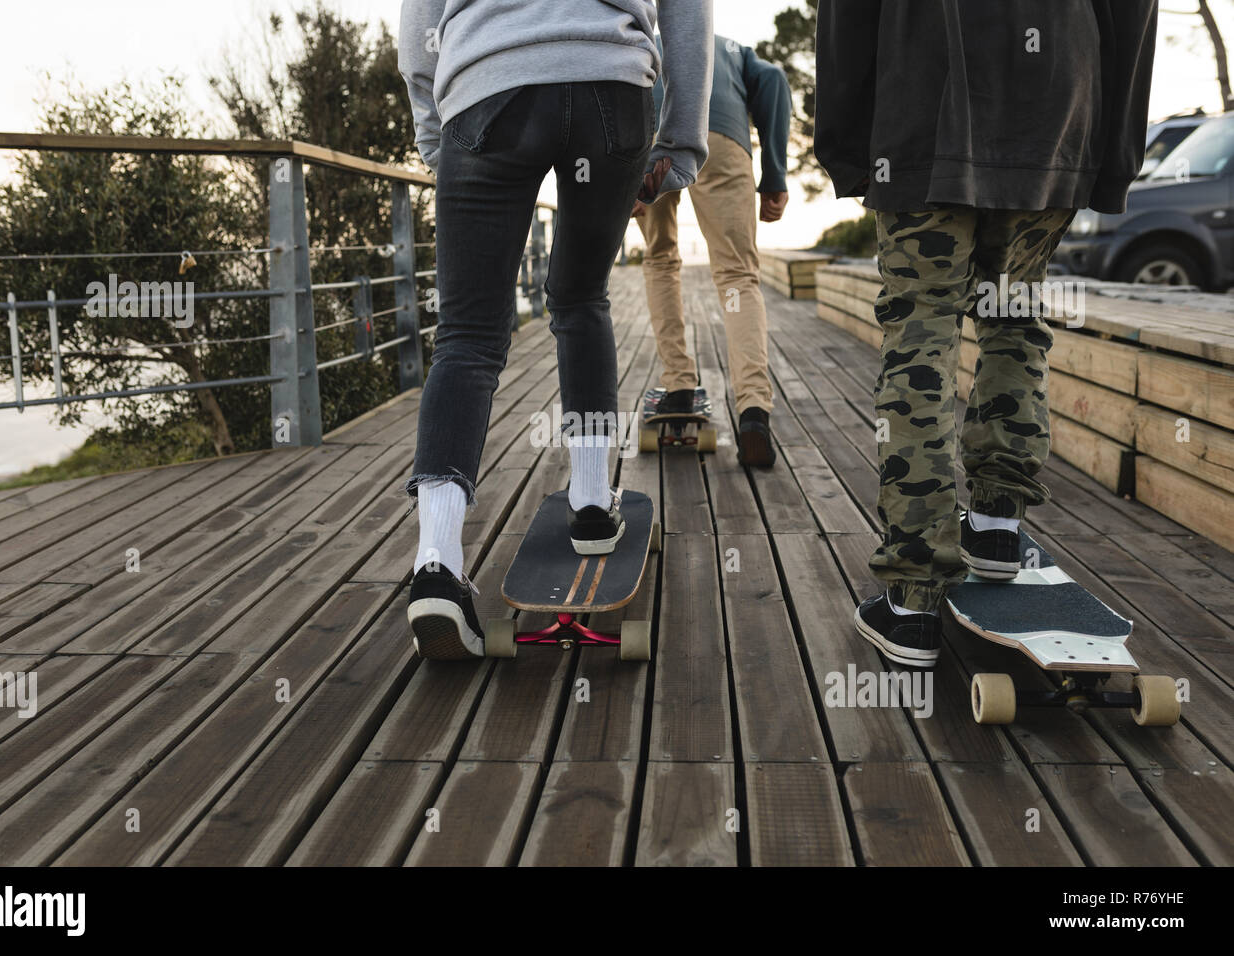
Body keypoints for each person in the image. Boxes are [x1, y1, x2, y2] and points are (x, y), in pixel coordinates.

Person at [814, 0, 1158, 667]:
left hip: (922, 110)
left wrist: (848, 148)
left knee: (921, 336)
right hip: (1056, 111)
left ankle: (914, 599)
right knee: (1014, 317)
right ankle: (998, 528)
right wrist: (1114, 153)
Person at [399, 0, 713, 659]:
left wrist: (435, 128)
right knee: (578, 293)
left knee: (468, 336)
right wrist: (680, 142)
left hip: (485, 87)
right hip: (612, 87)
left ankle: (437, 561)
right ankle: (594, 503)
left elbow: (419, 25)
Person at [637, 33, 792, 468]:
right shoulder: (732, 50)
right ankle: (753, 412)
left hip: (649, 135)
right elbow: (776, 81)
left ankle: (680, 384)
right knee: (737, 275)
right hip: (722, 135)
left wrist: (619, 170)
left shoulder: (643, 40)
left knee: (661, 258)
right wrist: (775, 174)